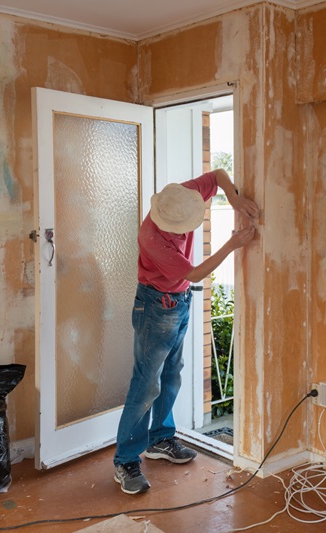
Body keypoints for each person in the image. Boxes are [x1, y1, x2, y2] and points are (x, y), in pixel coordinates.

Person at [113, 168, 258, 494]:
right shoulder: (151, 237)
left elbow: (218, 175)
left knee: (172, 374)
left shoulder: (184, 195)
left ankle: (160, 439)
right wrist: (232, 244)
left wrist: (234, 199)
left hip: (178, 302)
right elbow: (193, 273)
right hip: (154, 306)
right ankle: (126, 460)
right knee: (146, 384)